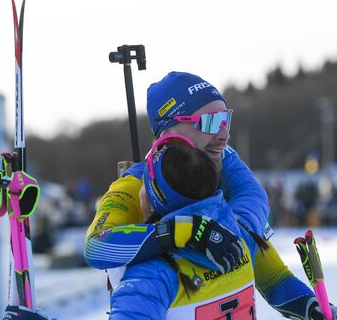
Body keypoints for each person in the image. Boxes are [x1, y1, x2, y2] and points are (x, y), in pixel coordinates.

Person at [85, 71, 337, 319]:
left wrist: (309, 306)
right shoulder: (134, 187)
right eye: (210, 123)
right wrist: (184, 231)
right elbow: (96, 246)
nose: (224, 135)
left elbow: (270, 273)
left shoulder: (220, 175)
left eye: (225, 120)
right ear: (168, 133)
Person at [110, 134, 263, 318]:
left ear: (154, 200)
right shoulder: (240, 235)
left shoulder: (151, 275)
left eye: (143, 184)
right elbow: (253, 193)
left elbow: (99, 245)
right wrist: (220, 146)